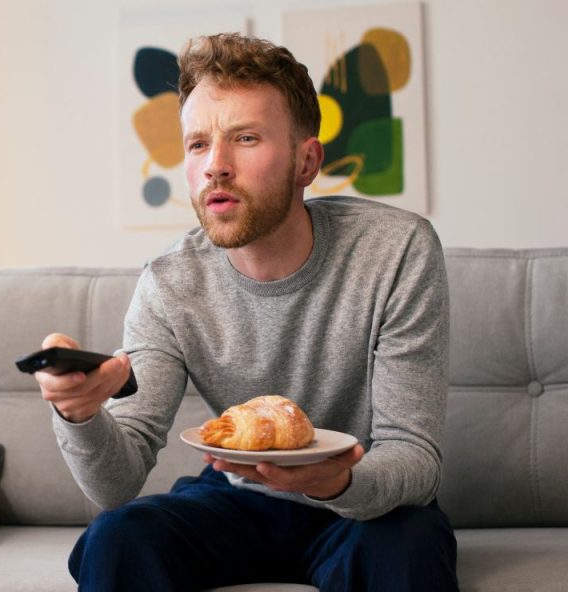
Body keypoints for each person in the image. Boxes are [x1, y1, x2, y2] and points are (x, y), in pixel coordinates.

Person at [34, 33, 458, 592]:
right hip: (234, 499)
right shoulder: (169, 281)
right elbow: (116, 481)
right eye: (197, 145)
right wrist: (82, 415)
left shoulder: (396, 250)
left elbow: (414, 455)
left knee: (408, 550)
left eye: (246, 138)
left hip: (364, 500)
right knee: (117, 537)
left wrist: (335, 481)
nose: (216, 166)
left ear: (307, 160)